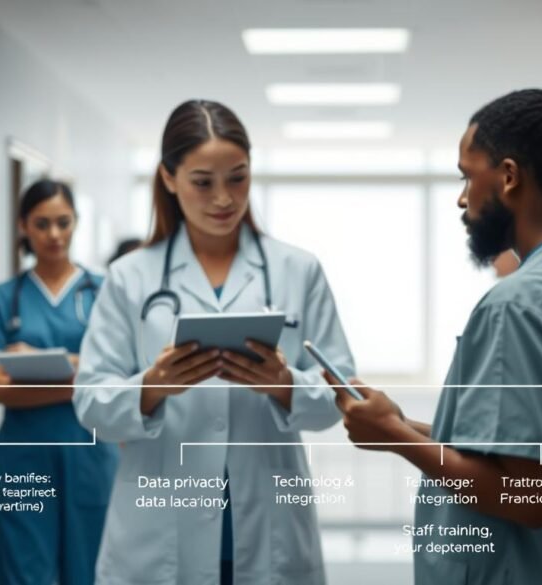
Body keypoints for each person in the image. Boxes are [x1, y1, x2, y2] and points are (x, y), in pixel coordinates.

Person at [325, 65, 542, 584]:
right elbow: (527, 449)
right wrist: (398, 424)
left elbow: (527, 496)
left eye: (467, 175)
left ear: (507, 176)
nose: (462, 198)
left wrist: (394, 435)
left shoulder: (522, 304)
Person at [73, 99, 354, 585]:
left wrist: (284, 384)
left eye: (238, 177)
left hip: (269, 528)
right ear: (168, 177)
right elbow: (90, 400)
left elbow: (341, 392)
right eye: (203, 182)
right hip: (158, 531)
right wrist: (152, 386)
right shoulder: (129, 277)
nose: (224, 198)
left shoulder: (297, 270)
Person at [0, 179, 118, 585]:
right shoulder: (5, 298)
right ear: (23, 226)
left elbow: (120, 376)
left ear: (76, 223)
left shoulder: (104, 293)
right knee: (23, 573)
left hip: (90, 456)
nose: (54, 235)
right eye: (42, 224)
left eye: (63, 222)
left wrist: (31, 361)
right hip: (22, 458)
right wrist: (81, 374)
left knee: (91, 572)